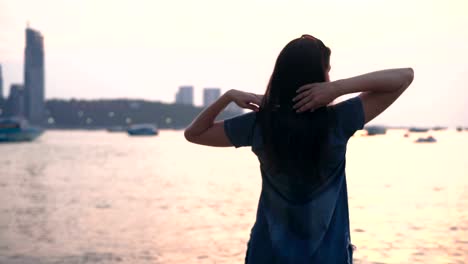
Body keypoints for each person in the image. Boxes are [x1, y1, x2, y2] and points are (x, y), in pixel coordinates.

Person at [184, 34, 414, 264]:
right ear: (319, 76)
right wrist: (337, 89)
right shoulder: (339, 120)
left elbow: (194, 133)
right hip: (328, 256)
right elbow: (404, 76)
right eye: (328, 71)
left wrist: (228, 97)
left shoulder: (260, 124)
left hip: (267, 254)